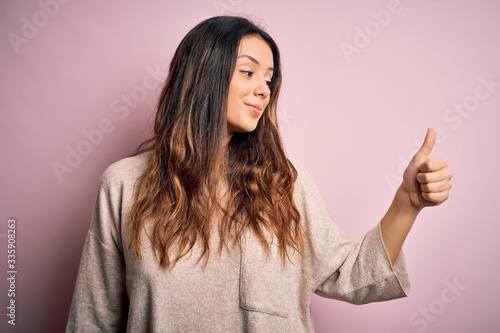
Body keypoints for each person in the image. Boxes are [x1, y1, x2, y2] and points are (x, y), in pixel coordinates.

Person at [66, 16, 452, 332]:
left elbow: (349, 275)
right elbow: (92, 319)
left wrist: (408, 202)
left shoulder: (284, 181)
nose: (264, 90)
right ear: (203, 75)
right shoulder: (123, 185)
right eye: (248, 72)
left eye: (269, 79)